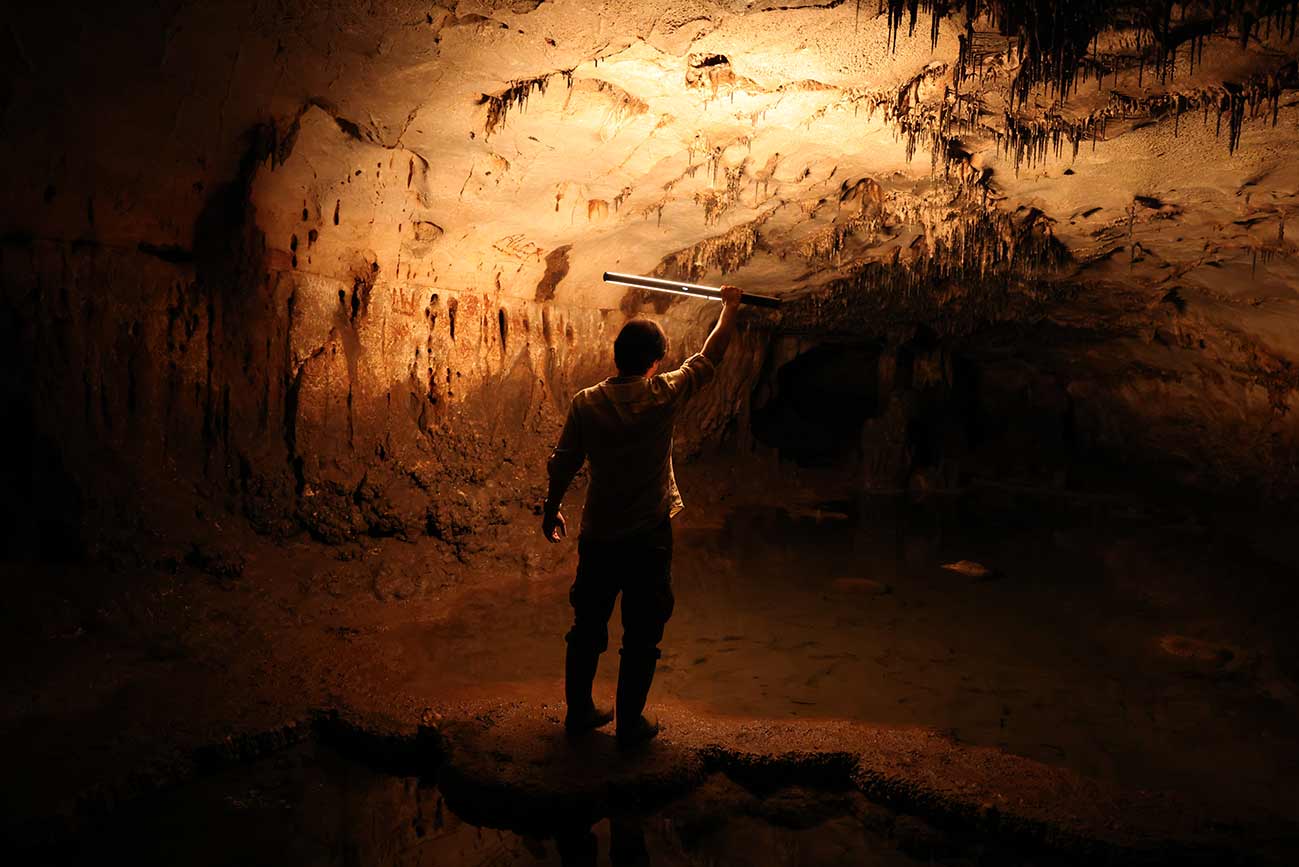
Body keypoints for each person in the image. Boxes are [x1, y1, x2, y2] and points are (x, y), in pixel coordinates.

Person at [543, 284, 742, 749]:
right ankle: (629, 724)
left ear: (617, 356)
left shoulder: (586, 402)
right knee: (643, 630)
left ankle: (579, 713)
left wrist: (551, 509)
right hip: (648, 536)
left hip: (600, 533)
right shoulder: (663, 394)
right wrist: (729, 308)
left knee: (587, 625)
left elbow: (563, 462)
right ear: (657, 359)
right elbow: (709, 357)